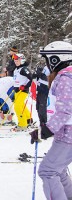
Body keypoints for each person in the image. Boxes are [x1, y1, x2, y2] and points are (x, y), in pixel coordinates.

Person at [29, 41, 72, 200]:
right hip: (66, 133)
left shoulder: (65, 78)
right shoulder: (66, 76)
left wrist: (46, 131)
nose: (47, 64)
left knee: (47, 171)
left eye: (48, 59)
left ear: (56, 59)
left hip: (68, 135)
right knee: (58, 170)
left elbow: (65, 110)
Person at [12, 53, 33, 130]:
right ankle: (29, 120)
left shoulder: (24, 69)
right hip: (17, 90)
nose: (15, 61)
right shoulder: (17, 69)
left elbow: (31, 78)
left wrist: (25, 86)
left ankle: (22, 124)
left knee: (17, 106)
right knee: (22, 106)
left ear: (22, 60)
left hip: (23, 91)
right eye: (14, 60)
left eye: (17, 60)